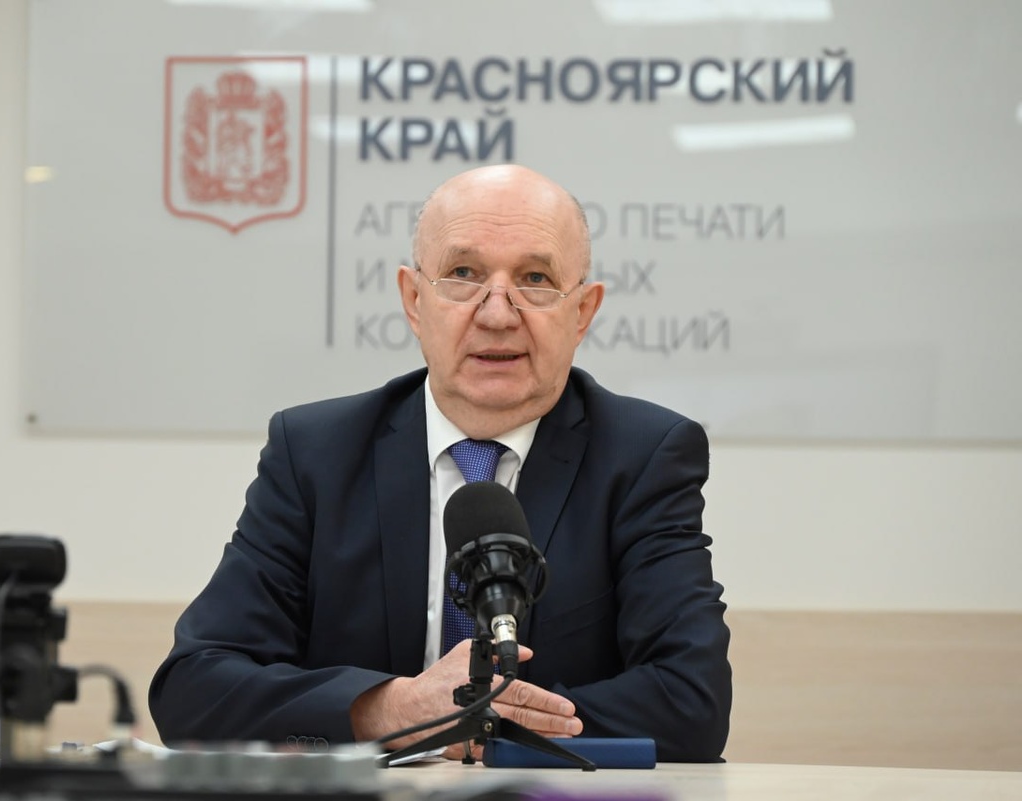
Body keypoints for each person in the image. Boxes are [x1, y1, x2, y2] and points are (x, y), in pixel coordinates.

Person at [148, 164, 731, 762]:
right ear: (413, 300)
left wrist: (485, 723)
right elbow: (194, 687)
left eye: (535, 279)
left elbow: (692, 703)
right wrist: (389, 711)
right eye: (463, 274)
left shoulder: (643, 457)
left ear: (582, 312)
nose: (497, 314)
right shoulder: (316, 453)